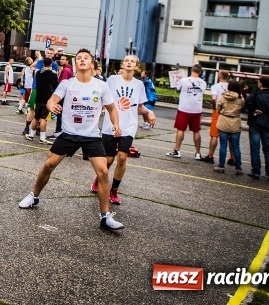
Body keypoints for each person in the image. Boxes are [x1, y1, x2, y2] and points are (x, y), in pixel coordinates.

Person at [18, 48, 125, 232]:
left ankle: (105, 217)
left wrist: (116, 124)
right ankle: (34, 195)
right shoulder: (67, 84)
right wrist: (52, 106)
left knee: (103, 172)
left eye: (86, 58)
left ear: (92, 64)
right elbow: (52, 100)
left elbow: (112, 109)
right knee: (48, 165)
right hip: (69, 133)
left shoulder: (101, 86)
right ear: (75, 64)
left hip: (91, 135)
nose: (82, 60)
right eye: (79, 58)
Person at [89, 54, 155, 204]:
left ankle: (114, 190)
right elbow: (102, 98)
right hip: (111, 124)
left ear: (136, 66)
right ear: (122, 64)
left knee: (123, 157)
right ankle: (98, 180)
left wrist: (149, 112)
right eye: (127, 61)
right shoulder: (112, 80)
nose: (129, 63)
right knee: (109, 160)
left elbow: (140, 106)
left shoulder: (139, 84)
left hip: (129, 125)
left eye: (132, 61)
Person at [245, 76, 269, 181]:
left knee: (255, 148)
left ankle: (256, 172)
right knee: (268, 150)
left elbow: (247, 102)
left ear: (261, 84)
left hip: (256, 123)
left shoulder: (255, 95)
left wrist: (253, 110)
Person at [166, 64, 207, 160]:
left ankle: (177, 150)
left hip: (184, 108)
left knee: (181, 129)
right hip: (196, 109)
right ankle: (197, 153)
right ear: (200, 72)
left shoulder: (183, 81)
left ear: (192, 70)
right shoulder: (203, 83)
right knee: (196, 130)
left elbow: (177, 90)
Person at [24, 56, 59, 144]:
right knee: (44, 118)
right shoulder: (53, 74)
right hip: (47, 99)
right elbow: (56, 85)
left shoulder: (38, 73)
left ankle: (31, 134)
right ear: (51, 64)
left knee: (36, 117)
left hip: (38, 97)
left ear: (43, 64)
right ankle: (42, 137)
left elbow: (33, 70)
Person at [214, 81, 244, 175]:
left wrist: (222, 112)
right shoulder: (240, 99)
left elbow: (217, 107)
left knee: (223, 145)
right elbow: (242, 107)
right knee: (236, 146)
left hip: (224, 121)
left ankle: (221, 166)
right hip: (235, 122)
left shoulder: (224, 97)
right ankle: (238, 168)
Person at [204, 70, 231, 164]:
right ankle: (232, 158)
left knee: (214, 135)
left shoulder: (215, 86)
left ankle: (210, 156)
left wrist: (215, 108)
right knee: (230, 136)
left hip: (218, 111)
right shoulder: (231, 86)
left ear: (220, 76)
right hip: (228, 112)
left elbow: (214, 98)